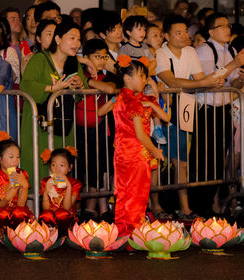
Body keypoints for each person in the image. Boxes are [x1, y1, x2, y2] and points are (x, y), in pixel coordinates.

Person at [156, 15, 225, 220]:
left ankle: (185, 207)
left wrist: (210, 82)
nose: (185, 35)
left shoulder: (190, 51)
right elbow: (169, 79)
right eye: (179, 32)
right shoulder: (160, 53)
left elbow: (198, 78)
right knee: (158, 159)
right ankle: (156, 205)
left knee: (182, 160)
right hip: (163, 108)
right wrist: (205, 84)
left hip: (186, 106)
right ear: (166, 36)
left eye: (186, 31)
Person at [20, 22, 88, 204]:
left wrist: (80, 87)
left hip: (63, 125)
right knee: (37, 164)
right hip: (38, 125)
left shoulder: (74, 64)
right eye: (72, 38)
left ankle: (61, 209)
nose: (77, 43)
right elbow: (26, 85)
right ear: (58, 39)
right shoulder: (39, 59)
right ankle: (33, 210)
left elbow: (83, 91)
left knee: (60, 164)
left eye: (79, 39)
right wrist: (53, 87)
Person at [192, 12, 244, 215]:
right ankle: (201, 207)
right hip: (207, 111)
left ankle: (211, 206)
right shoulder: (205, 50)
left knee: (219, 160)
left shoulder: (230, 50)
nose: (227, 28)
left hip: (224, 110)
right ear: (211, 31)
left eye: (228, 25)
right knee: (206, 160)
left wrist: (239, 79)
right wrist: (235, 64)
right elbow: (207, 80)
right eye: (222, 26)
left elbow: (230, 82)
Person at [113, 57, 169, 237]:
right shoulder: (134, 102)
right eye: (141, 76)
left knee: (123, 193)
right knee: (136, 196)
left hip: (122, 153)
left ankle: (122, 232)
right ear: (127, 78)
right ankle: (133, 233)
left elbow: (166, 118)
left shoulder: (122, 98)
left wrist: (153, 102)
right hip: (136, 153)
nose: (145, 80)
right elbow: (140, 134)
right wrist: (155, 150)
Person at [75, 39, 115, 223]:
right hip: (79, 129)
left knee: (100, 167)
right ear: (87, 57)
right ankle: (89, 208)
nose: (101, 60)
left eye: (104, 56)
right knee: (86, 168)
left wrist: (90, 82)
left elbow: (111, 88)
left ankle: (99, 208)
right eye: (97, 56)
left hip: (102, 128)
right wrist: (88, 76)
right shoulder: (79, 73)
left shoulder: (105, 76)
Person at [119, 16, 166, 145]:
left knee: (154, 95)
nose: (142, 33)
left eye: (144, 30)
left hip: (146, 79)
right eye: (139, 29)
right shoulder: (125, 49)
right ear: (128, 32)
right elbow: (124, 67)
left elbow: (153, 62)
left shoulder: (145, 47)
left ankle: (157, 127)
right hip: (133, 83)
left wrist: (146, 75)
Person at [0, 134, 33, 233]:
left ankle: (18, 235)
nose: (15, 160)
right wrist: (7, 198)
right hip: (1, 213)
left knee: (19, 213)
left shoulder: (22, 174)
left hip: (17, 213)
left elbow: (21, 205)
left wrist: (24, 186)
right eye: (11, 157)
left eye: (18, 157)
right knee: (1, 214)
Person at [39, 148, 82, 235]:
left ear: (70, 167)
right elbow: (45, 209)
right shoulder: (46, 181)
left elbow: (66, 208)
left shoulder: (75, 184)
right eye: (53, 165)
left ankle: (64, 236)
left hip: (66, 218)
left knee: (62, 213)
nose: (57, 169)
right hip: (51, 220)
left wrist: (69, 187)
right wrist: (46, 192)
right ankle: (49, 235)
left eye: (62, 165)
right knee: (46, 215)